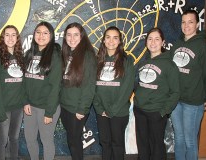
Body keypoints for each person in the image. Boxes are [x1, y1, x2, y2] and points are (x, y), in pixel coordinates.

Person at [170, 10, 206, 160]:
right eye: (183, 22)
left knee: (190, 141)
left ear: (197, 24)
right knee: (179, 139)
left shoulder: (204, 47)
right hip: (176, 101)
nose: (186, 25)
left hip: (193, 103)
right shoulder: (176, 45)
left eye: (190, 22)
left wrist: (205, 98)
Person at [134, 28, 180, 160]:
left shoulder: (169, 64)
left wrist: (163, 112)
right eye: (150, 39)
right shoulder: (143, 62)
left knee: (157, 147)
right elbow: (137, 84)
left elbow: (175, 92)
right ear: (146, 42)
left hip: (156, 112)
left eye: (157, 39)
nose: (153, 42)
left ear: (163, 42)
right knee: (142, 145)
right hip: (140, 110)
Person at [93, 26, 135, 160]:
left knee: (117, 144)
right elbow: (91, 87)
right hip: (102, 112)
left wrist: (111, 110)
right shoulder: (97, 61)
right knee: (105, 144)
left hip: (118, 112)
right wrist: (100, 108)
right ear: (104, 40)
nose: (111, 41)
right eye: (108, 37)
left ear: (119, 41)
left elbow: (127, 89)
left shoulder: (127, 61)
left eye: (115, 38)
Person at [23, 21, 62, 160]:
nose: (41, 35)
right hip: (29, 107)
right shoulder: (28, 54)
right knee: (30, 139)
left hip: (46, 108)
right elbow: (24, 81)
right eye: (38, 32)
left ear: (51, 36)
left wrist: (49, 112)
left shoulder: (55, 56)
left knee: (46, 141)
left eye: (45, 33)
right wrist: (25, 101)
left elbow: (55, 87)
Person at [60, 22, 96, 160]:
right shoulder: (67, 53)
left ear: (82, 37)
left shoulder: (87, 56)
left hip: (77, 109)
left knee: (74, 143)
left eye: (76, 35)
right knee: (72, 141)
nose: (72, 38)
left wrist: (82, 109)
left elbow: (89, 85)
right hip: (65, 106)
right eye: (69, 35)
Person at [0, 25, 25, 160]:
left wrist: (24, 102)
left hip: (18, 107)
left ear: (17, 38)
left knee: (14, 138)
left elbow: (24, 84)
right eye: (7, 35)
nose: (10, 38)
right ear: (2, 38)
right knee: (2, 140)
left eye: (13, 35)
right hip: (3, 108)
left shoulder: (20, 57)